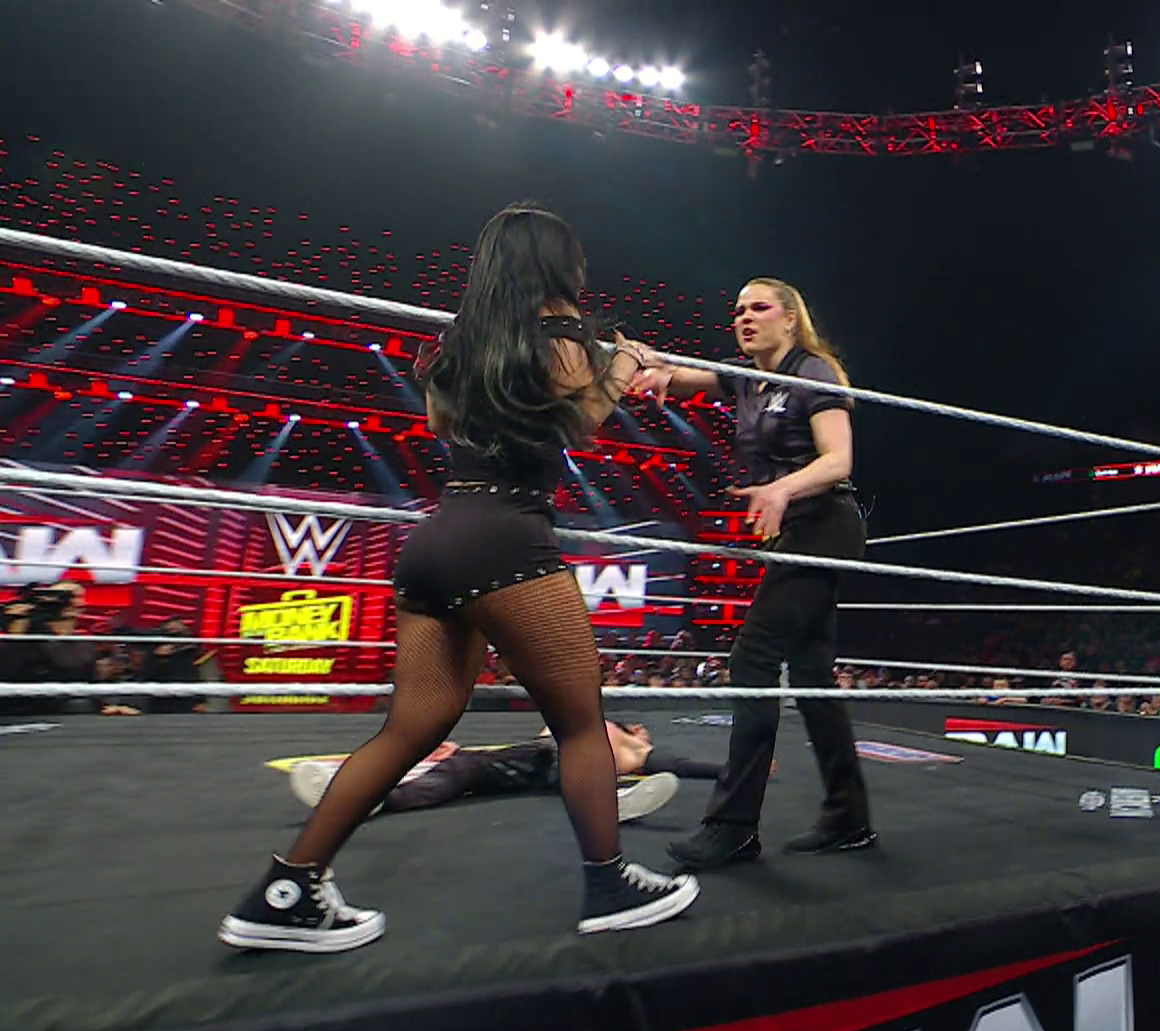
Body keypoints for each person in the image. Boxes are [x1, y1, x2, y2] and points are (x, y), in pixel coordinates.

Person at [218, 204, 698, 954]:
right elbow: (577, 423)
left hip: (438, 536)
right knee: (580, 724)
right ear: (555, 265)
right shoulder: (558, 331)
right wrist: (623, 366)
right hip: (506, 535)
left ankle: (286, 889)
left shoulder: (459, 344)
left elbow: (446, 426)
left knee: (412, 728)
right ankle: (610, 886)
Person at [638, 278, 874, 869]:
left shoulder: (813, 371)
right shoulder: (746, 377)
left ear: (790, 318)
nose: (744, 317)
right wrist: (650, 369)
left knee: (753, 660)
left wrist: (781, 488)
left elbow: (839, 459)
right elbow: (680, 377)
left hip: (825, 525)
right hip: (796, 530)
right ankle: (849, 816)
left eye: (759, 308)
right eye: (738, 309)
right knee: (812, 674)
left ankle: (734, 825)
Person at [287, 720, 725, 821]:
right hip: (537, 760)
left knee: (565, 760)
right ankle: (367, 798)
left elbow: (675, 765)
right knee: (459, 772)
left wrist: (733, 771)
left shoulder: (633, 744)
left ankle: (610, 803)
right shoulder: (597, 721)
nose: (647, 732)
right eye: (643, 729)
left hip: (569, 767)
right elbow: (536, 743)